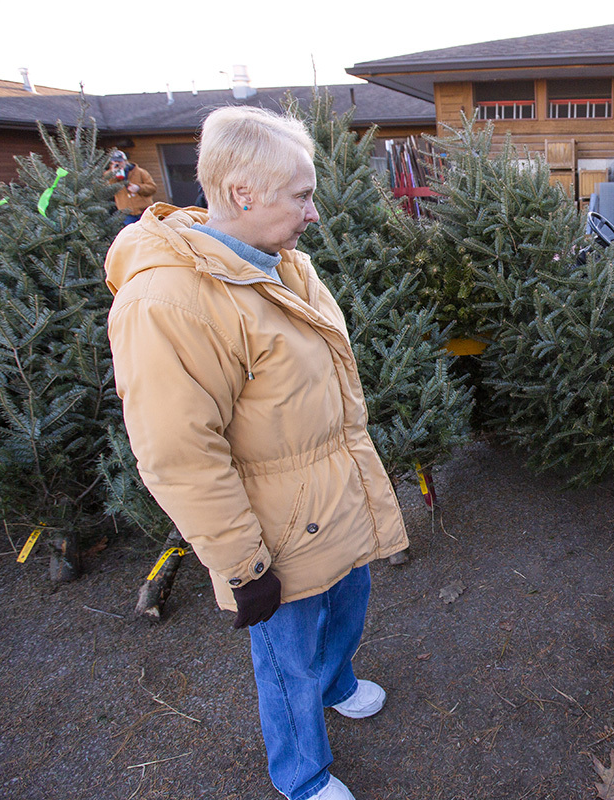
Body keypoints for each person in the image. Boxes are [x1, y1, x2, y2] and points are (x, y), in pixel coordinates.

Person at [104, 106, 409, 800]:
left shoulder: (282, 266)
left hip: (329, 502)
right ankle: (302, 776)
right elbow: (179, 454)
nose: (314, 212)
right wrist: (244, 565)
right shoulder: (168, 303)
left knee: (348, 607)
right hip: (272, 532)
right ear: (243, 193)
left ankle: (337, 683)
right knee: (285, 660)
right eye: (302, 195)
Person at [105, 149, 157, 224]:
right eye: (114, 162)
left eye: (119, 161)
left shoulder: (140, 172)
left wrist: (139, 188)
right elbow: (107, 190)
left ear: (125, 161)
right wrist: (112, 174)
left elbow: (153, 188)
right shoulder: (109, 175)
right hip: (127, 214)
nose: (117, 164)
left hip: (144, 210)